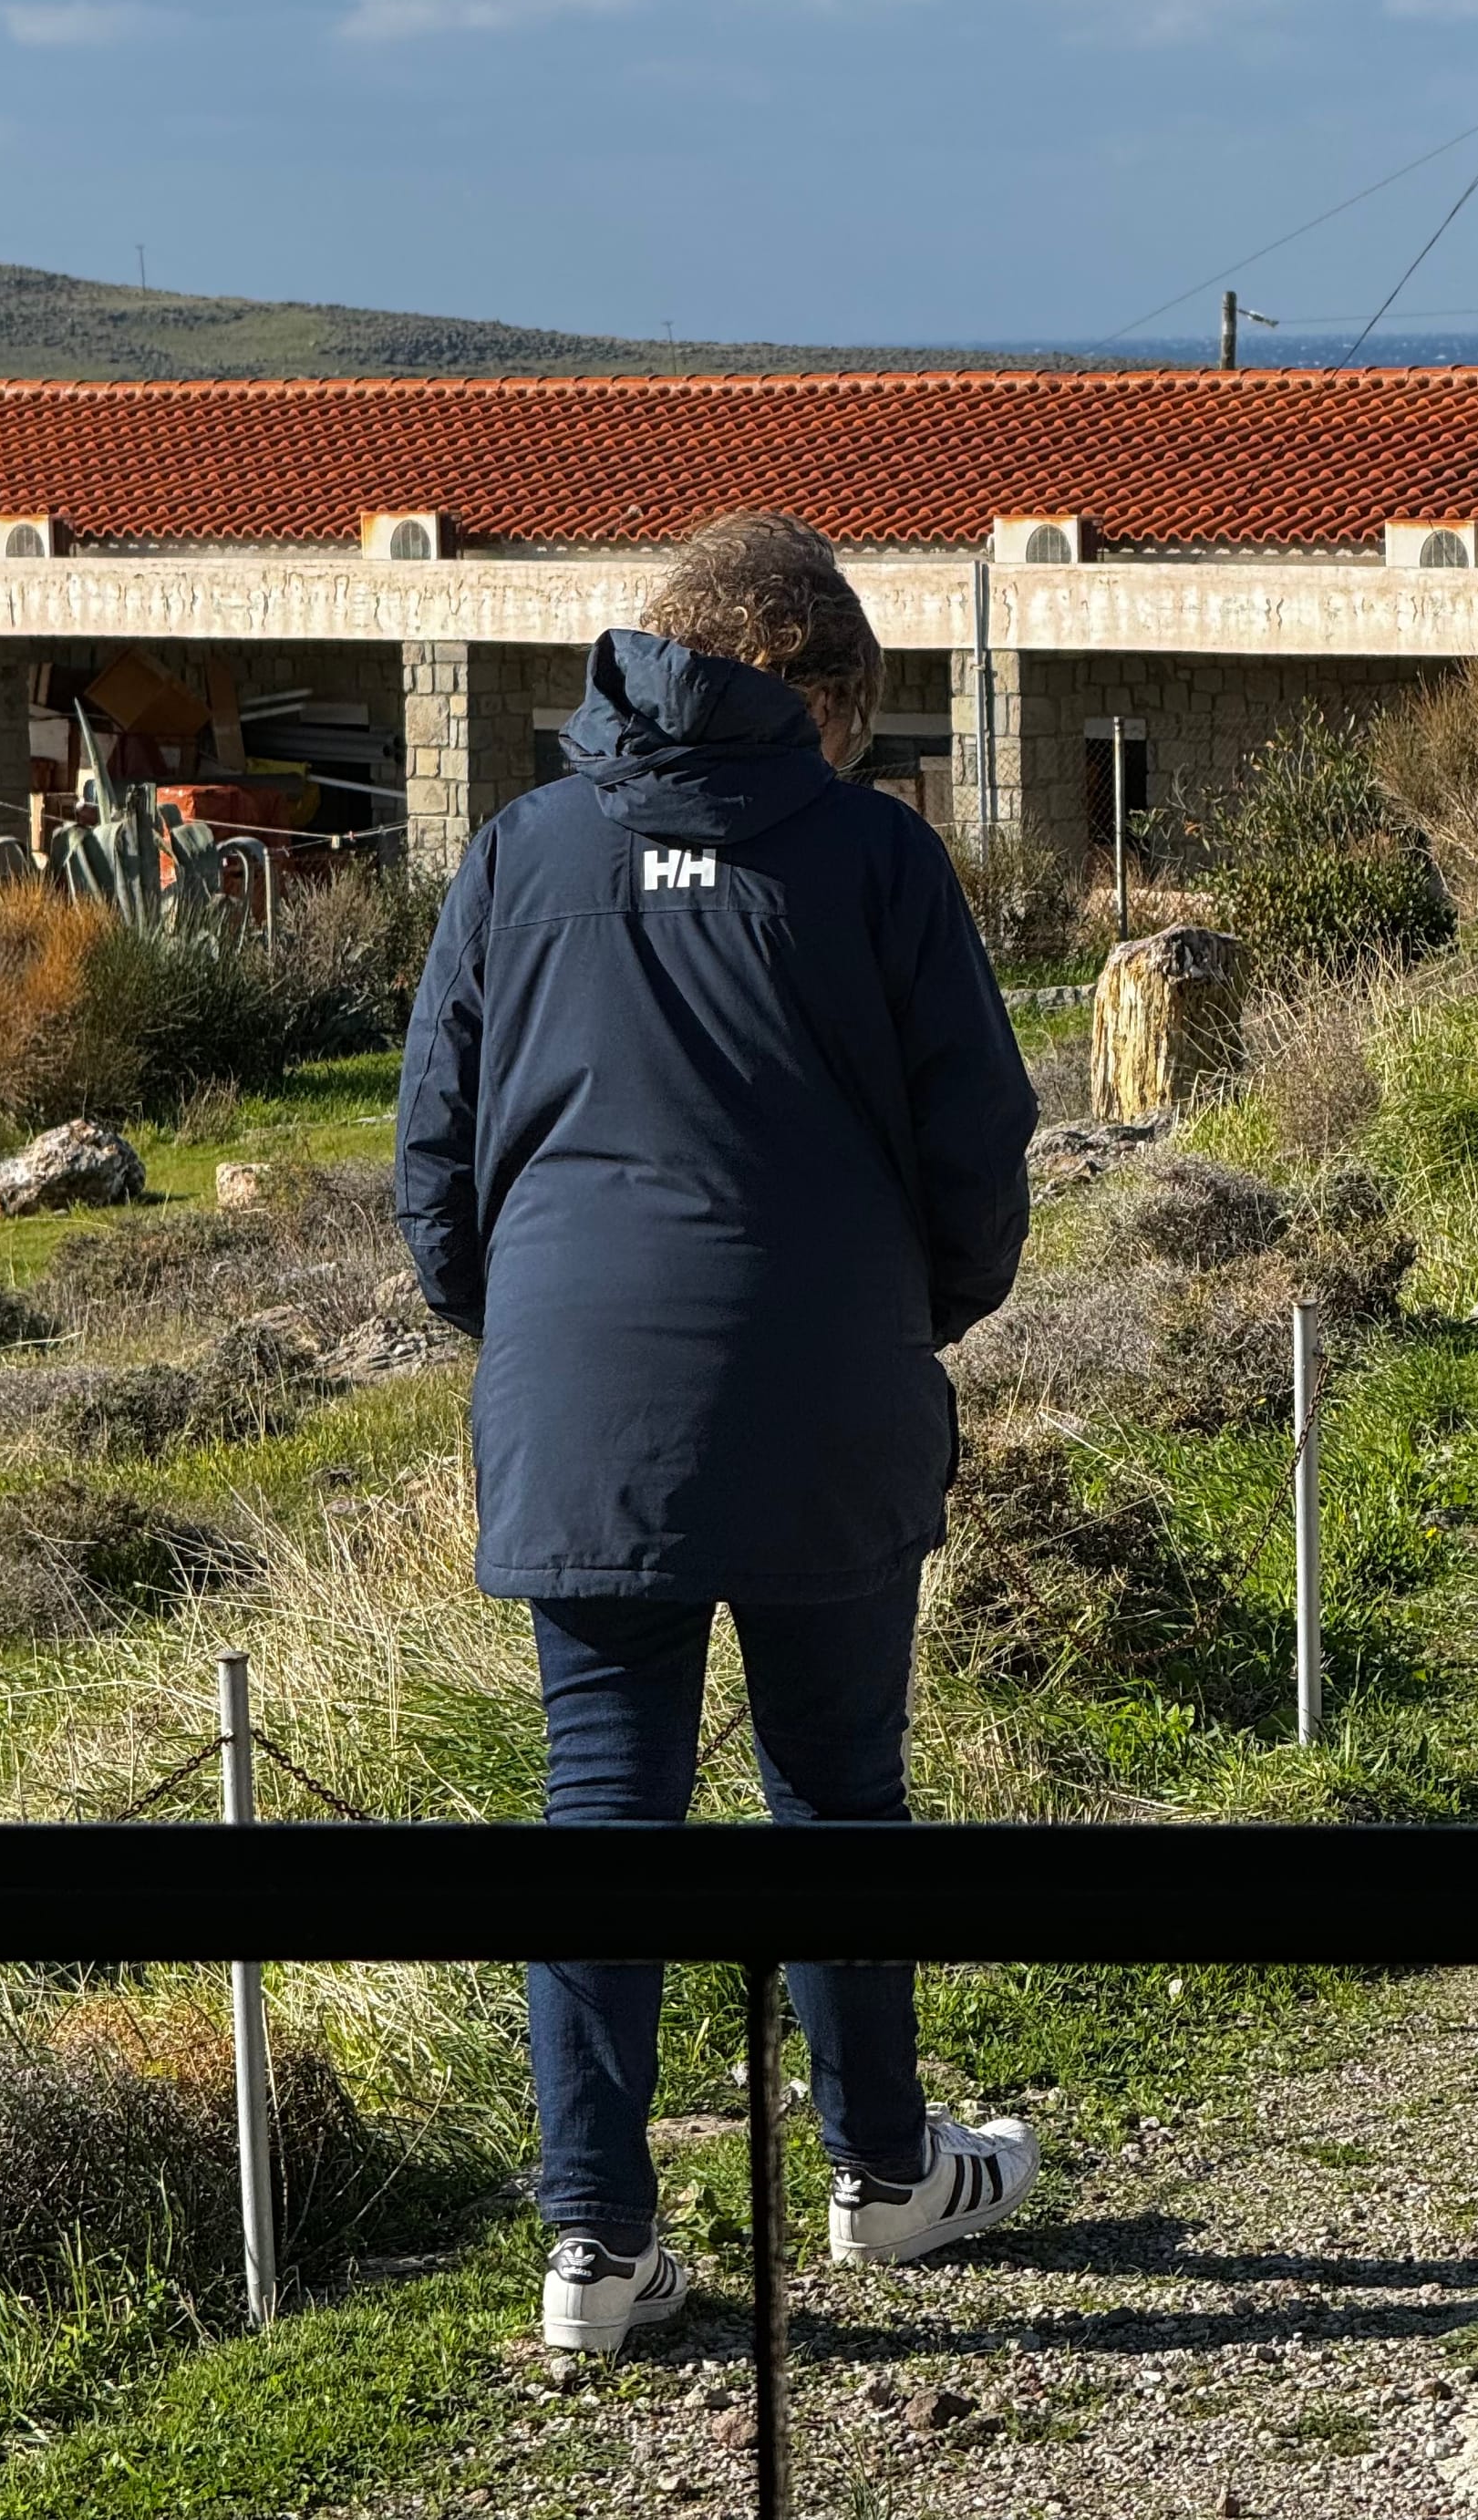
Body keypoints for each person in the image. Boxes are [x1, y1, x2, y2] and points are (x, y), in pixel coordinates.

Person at [396, 510, 1039, 2355]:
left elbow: (433, 1156)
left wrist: (531, 1332)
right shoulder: (876, 857)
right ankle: (888, 2172)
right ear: (818, 692)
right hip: (830, 1385)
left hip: (578, 1400)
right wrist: (908, 1317)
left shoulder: (521, 849)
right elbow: (977, 1146)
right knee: (837, 1794)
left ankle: (594, 2247)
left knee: (601, 1805)